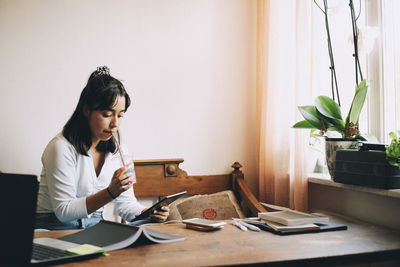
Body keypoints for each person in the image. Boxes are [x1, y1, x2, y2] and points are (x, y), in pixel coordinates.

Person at [35, 66, 169, 230]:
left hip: (95, 225)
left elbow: (126, 204)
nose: (115, 124)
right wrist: (110, 192)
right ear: (86, 110)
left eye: (120, 115)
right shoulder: (60, 148)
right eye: (107, 114)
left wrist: (148, 212)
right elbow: (63, 211)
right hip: (53, 226)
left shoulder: (121, 151)